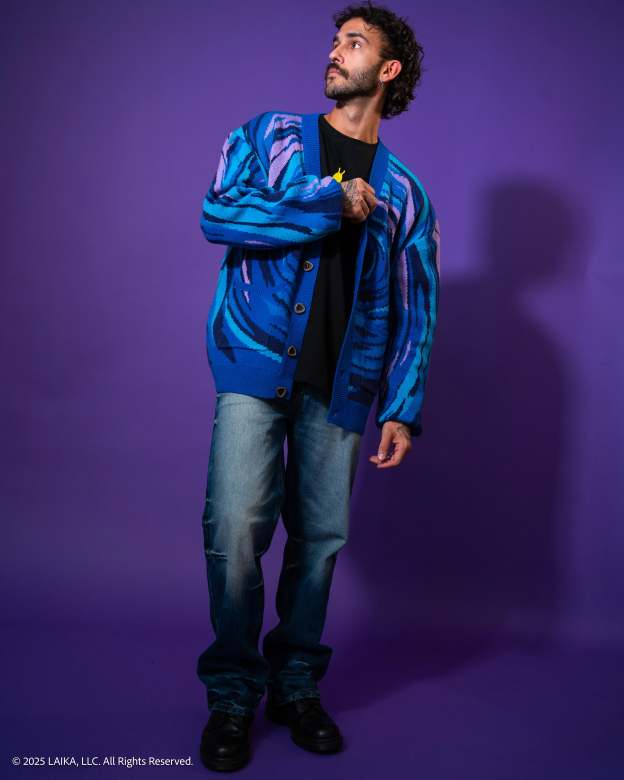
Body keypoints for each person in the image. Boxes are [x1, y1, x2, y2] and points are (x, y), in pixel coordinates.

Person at [196, 1, 441, 771]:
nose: (336, 51)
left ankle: (296, 685)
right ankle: (233, 693)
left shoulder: (407, 193)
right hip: (253, 362)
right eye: (335, 40)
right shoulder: (267, 136)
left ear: (388, 69)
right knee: (235, 528)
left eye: (354, 43)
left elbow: (417, 304)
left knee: (321, 543)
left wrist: (401, 405)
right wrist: (326, 201)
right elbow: (219, 213)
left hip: (343, 383)